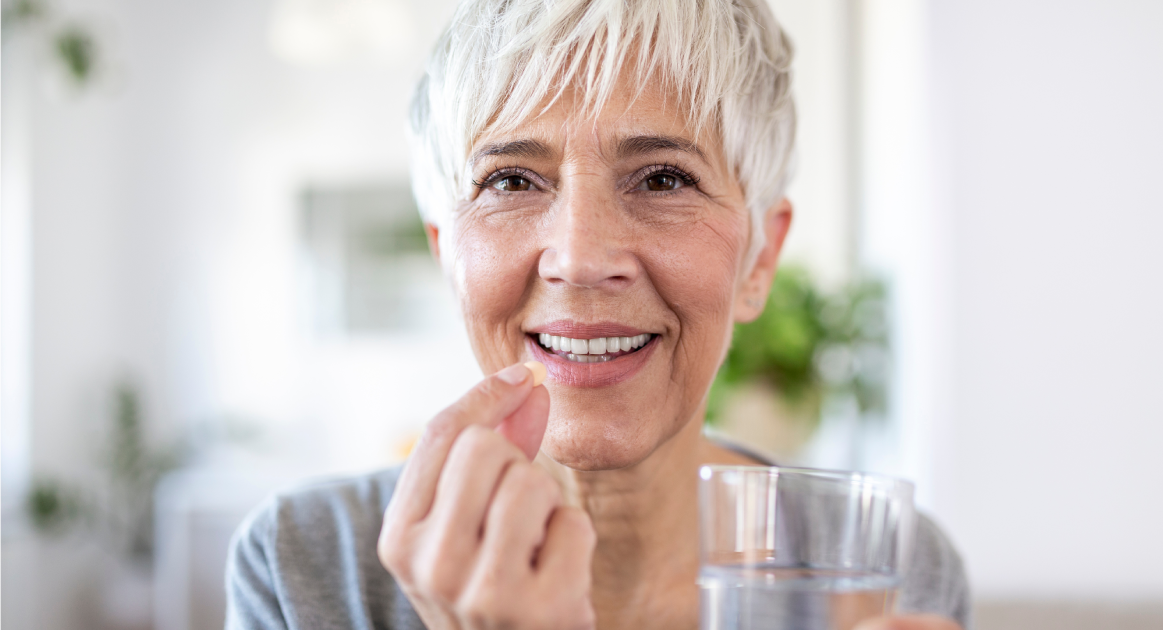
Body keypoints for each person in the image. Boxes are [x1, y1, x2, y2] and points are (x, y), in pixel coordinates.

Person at [225, 0, 971, 628]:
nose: (580, 257)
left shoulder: (887, 567)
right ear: (448, 255)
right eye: (511, 180)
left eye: (664, 178)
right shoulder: (300, 568)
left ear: (760, 262)